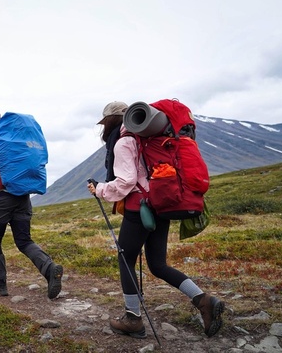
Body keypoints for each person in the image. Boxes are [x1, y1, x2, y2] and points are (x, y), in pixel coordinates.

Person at [87, 101, 225, 339]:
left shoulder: (123, 142)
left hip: (138, 210)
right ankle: (203, 300)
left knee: (125, 259)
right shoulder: (147, 139)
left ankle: (133, 319)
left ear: (109, 122)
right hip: (160, 205)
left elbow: (126, 182)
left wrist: (99, 189)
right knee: (158, 265)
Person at [0, 108, 63, 298]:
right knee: (24, 240)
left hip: (2, 198)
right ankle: (49, 269)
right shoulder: (17, 139)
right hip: (23, 196)